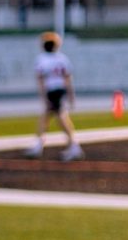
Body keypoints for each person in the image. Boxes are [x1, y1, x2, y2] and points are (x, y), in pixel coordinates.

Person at [26, 30, 84, 161]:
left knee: (60, 118)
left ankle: (73, 146)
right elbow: (68, 78)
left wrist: (44, 97)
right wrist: (71, 95)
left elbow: (40, 80)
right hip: (60, 90)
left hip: (52, 91)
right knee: (47, 117)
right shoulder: (62, 58)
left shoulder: (42, 59)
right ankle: (40, 144)